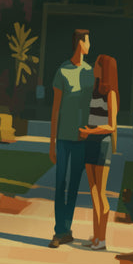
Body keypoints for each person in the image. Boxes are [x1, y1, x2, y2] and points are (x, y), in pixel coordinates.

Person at [48, 29, 93, 248]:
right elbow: (55, 109)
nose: (89, 45)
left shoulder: (90, 72)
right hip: (64, 140)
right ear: (80, 44)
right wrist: (52, 143)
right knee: (60, 184)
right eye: (88, 41)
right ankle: (59, 231)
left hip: (82, 140)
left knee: (74, 186)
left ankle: (66, 230)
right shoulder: (62, 71)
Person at [78, 53, 119, 251]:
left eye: (97, 65)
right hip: (90, 143)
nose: (94, 67)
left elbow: (111, 126)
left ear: (105, 70)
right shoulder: (94, 92)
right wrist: (88, 132)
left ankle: (102, 239)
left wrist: (90, 131)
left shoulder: (110, 93)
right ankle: (95, 237)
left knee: (101, 194)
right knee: (93, 192)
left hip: (102, 144)